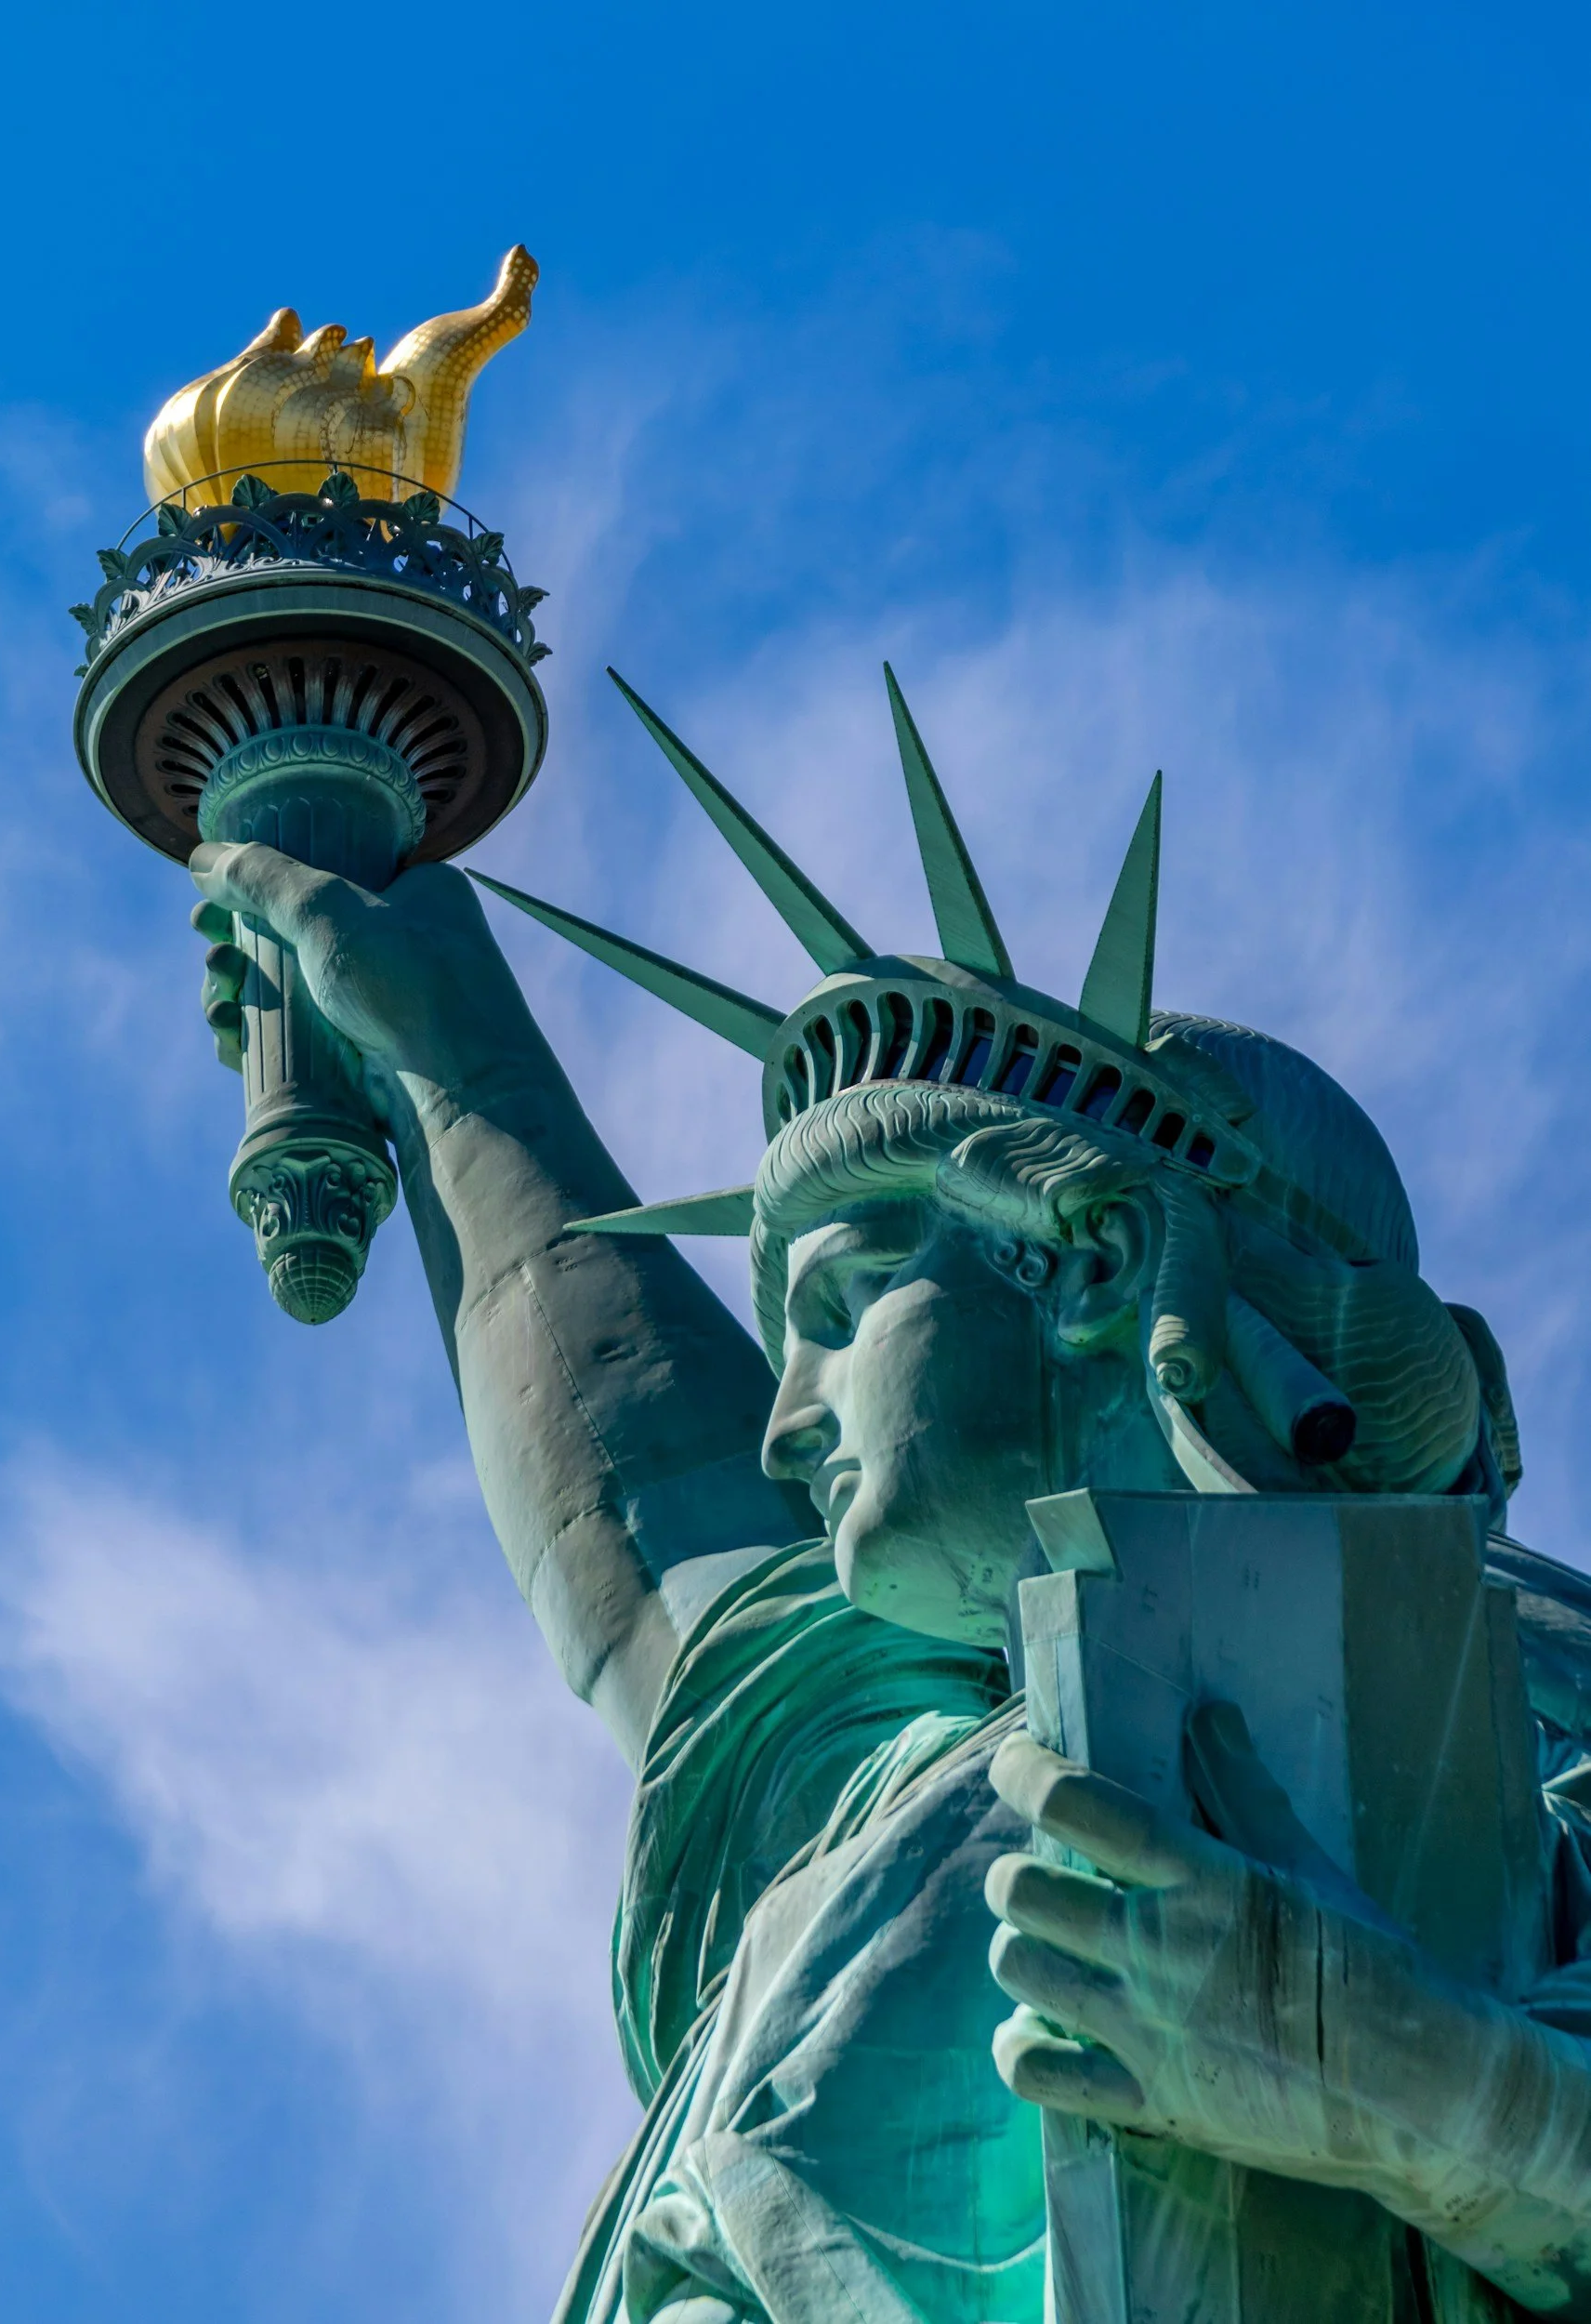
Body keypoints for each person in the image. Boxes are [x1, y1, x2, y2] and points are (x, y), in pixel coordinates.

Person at [189, 679, 1591, 2323]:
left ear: (1090, 1261)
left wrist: (1424, 2087)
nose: (788, 1428)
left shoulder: (1528, 1694)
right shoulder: (894, 1797)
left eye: (843, 1307)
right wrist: (433, 1044)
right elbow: (647, 1539)